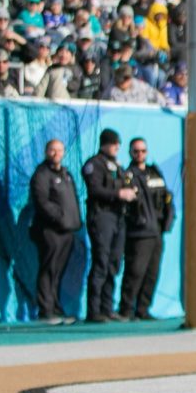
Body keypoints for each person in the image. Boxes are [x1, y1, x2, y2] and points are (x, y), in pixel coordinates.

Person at [82, 129, 137, 323]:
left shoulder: (118, 166)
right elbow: (95, 189)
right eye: (114, 143)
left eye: (118, 144)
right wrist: (118, 194)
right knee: (101, 262)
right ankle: (93, 310)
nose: (117, 147)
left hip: (118, 217)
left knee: (114, 263)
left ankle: (107, 308)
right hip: (102, 216)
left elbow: (124, 183)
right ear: (104, 144)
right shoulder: (94, 164)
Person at [117, 137, 173, 321]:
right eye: (136, 151)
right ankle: (126, 309)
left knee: (152, 272)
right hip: (138, 232)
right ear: (130, 153)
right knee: (135, 271)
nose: (140, 154)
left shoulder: (154, 173)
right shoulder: (127, 175)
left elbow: (166, 199)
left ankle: (143, 308)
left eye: (143, 151)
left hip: (156, 230)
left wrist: (167, 222)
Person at [30, 139, 82, 324]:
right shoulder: (41, 174)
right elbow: (42, 202)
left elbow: (72, 200)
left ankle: (56, 307)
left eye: (59, 150)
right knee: (48, 268)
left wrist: (74, 220)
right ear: (46, 152)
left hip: (67, 230)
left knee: (58, 271)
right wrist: (60, 217)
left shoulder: (66, 174)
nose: (56, 153)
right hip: (50, 230)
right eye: (53, 150)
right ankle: (45, 310)